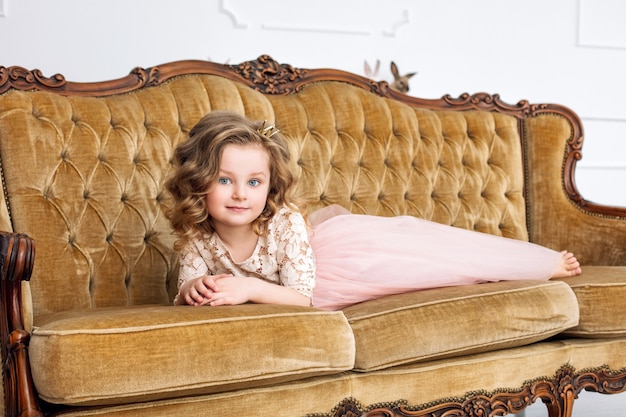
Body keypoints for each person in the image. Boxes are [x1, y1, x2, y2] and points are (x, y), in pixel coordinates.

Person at [165, 110, 582, 311]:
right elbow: (185, 291)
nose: (240, 194)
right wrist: (191, 290)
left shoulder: (284, 222)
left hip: (338, 264)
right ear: (197, 182)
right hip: (311, 277)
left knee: (435, 260)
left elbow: (302, 297)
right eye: (224, 180)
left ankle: (541, 264)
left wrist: (248, 289)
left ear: (270, 184)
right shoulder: (196, 240)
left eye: (254, 182)